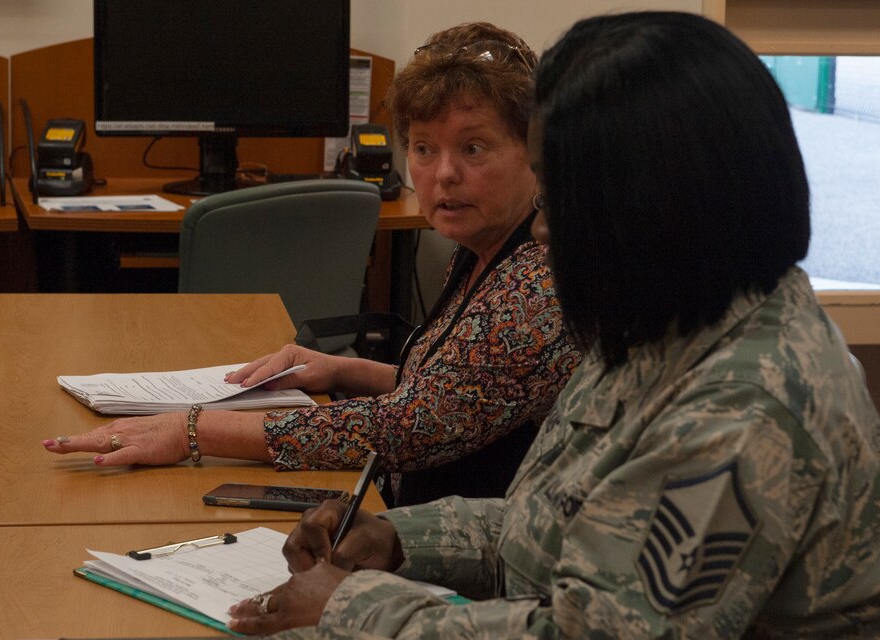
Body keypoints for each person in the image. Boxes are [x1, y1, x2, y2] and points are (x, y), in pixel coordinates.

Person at [105, 12, 880, 640]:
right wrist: (396, 539)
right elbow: (553, 526)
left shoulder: (743, 409)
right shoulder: (667, 323)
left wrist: (357, 605)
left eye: (566, 203)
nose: (547, 235)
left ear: (656, 207)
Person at [43, 21, 579, 506]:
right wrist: (343, 368)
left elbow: (413, 426)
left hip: (466, 558)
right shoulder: (485, 248)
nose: (443, 175)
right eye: (422, 148)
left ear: (534, 152)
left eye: (474, 149)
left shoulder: (536, 286)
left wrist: (195, 430)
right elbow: (459, 393)